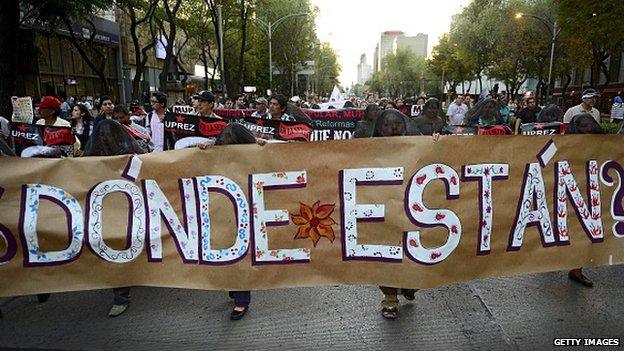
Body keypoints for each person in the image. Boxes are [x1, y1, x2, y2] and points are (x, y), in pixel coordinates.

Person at [83, 119, 145, 316]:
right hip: (105, 212)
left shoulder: (136, 154)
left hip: (131, 209)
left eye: (109, 135)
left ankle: (127, 287)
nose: (105, 139)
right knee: (114, 250)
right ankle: (121, 295)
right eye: (101, 136)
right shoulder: (92, 156)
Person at [370, 109, 420, 319]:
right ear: (379, 129)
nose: (392, 129)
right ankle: (389, 299)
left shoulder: (418, 146)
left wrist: (438, 144)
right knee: (384, 257)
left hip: (409, 210)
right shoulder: (363, 149)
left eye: (397, 124)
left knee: (412, 254)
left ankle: (410, 285)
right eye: (387, 125)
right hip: (380, 211)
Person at [564, 113, 604, 288]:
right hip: (565, 193)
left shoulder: (600, 145)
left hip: (586, 195)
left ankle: (576, 269)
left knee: (582, 231)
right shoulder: (562, 145)